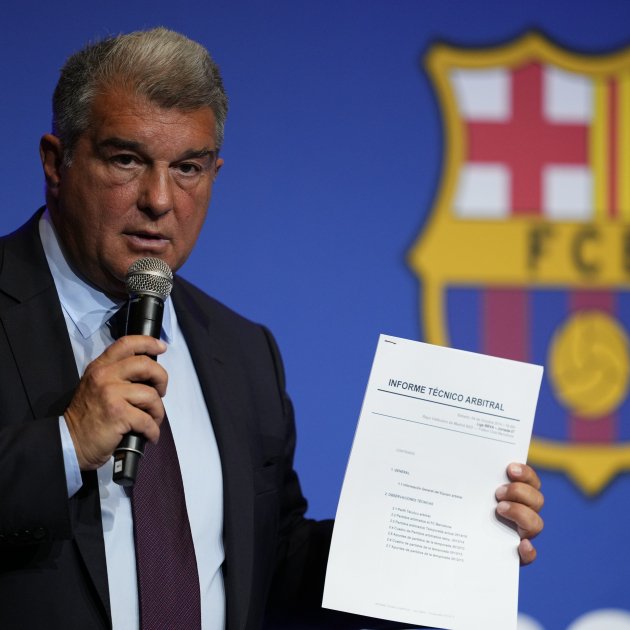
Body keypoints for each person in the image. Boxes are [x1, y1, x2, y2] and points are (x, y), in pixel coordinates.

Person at [0, 28, 544, 630]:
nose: (159, 199)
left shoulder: (242, 351)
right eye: (126, 160)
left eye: (187, 168)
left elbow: (274, 567)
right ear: (55, 161)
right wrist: (66, 445)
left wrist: (454, 537)